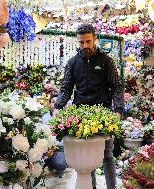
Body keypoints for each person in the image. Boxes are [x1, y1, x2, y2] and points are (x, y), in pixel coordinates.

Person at [52, 23, 124, 189]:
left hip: (103, 115)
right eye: (81, 42)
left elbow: (117, 87)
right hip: (81, 116)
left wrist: (118, 110)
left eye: (88, 42)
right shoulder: (72, 63)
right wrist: (58, 106)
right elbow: (66, 89)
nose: (85, 45)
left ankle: (111, 187)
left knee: (107, 156)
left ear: (95, 39)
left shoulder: (106, 61)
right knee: (86, 159)